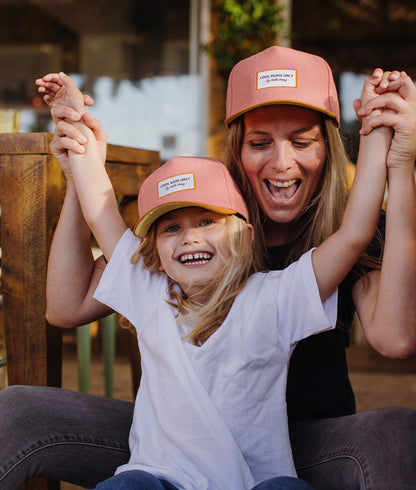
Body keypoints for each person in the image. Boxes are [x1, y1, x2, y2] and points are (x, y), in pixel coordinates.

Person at [0, 45, 412, 490]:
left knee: (391, 432)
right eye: (259, 143)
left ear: (328, 147)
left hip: (294, 452)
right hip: (172, 451)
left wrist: (396, 156)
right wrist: (78, 163)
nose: (281, 162)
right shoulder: (175, 253)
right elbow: (69, 298)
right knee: (23, 411)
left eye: (301, 140)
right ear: (237, 148)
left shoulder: (297, 279)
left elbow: (393, 329)